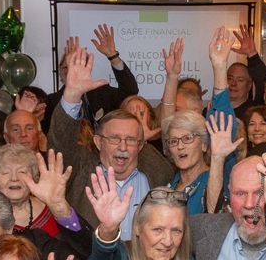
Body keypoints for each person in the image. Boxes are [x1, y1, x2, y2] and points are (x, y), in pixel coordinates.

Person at [52, 45, 177, 230]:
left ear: (141, 145)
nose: (123, 146)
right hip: (92, 257)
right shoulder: (80, 171)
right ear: (98, 141)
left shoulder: (159, 170)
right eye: (114, 139)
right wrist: (72, 95)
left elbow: (172, 136)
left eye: (131, 140)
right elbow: (60, 143)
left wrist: (172, 78)